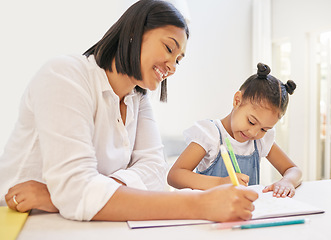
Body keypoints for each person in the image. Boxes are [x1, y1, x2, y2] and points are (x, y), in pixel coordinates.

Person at [0, 0, 258, 222]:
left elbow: (156, 174)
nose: (173, 67)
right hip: (23, 221)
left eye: (178, 60)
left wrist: (64, 196)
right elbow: (76, 191)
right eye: (169, 48)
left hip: (80, 220)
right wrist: (200, 205)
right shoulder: (65, 75)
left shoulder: (137, 98)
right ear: (134, 32)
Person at [167, 63, 302, 198]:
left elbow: (293, 170)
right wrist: (220, 182)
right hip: (210, 213)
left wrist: (287, 181)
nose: (254, 133)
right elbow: (175, 175)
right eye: (251, 122)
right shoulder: (211, 134)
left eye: (264, 129)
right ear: (237, 100)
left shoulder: (260, 141)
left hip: (245, 214)